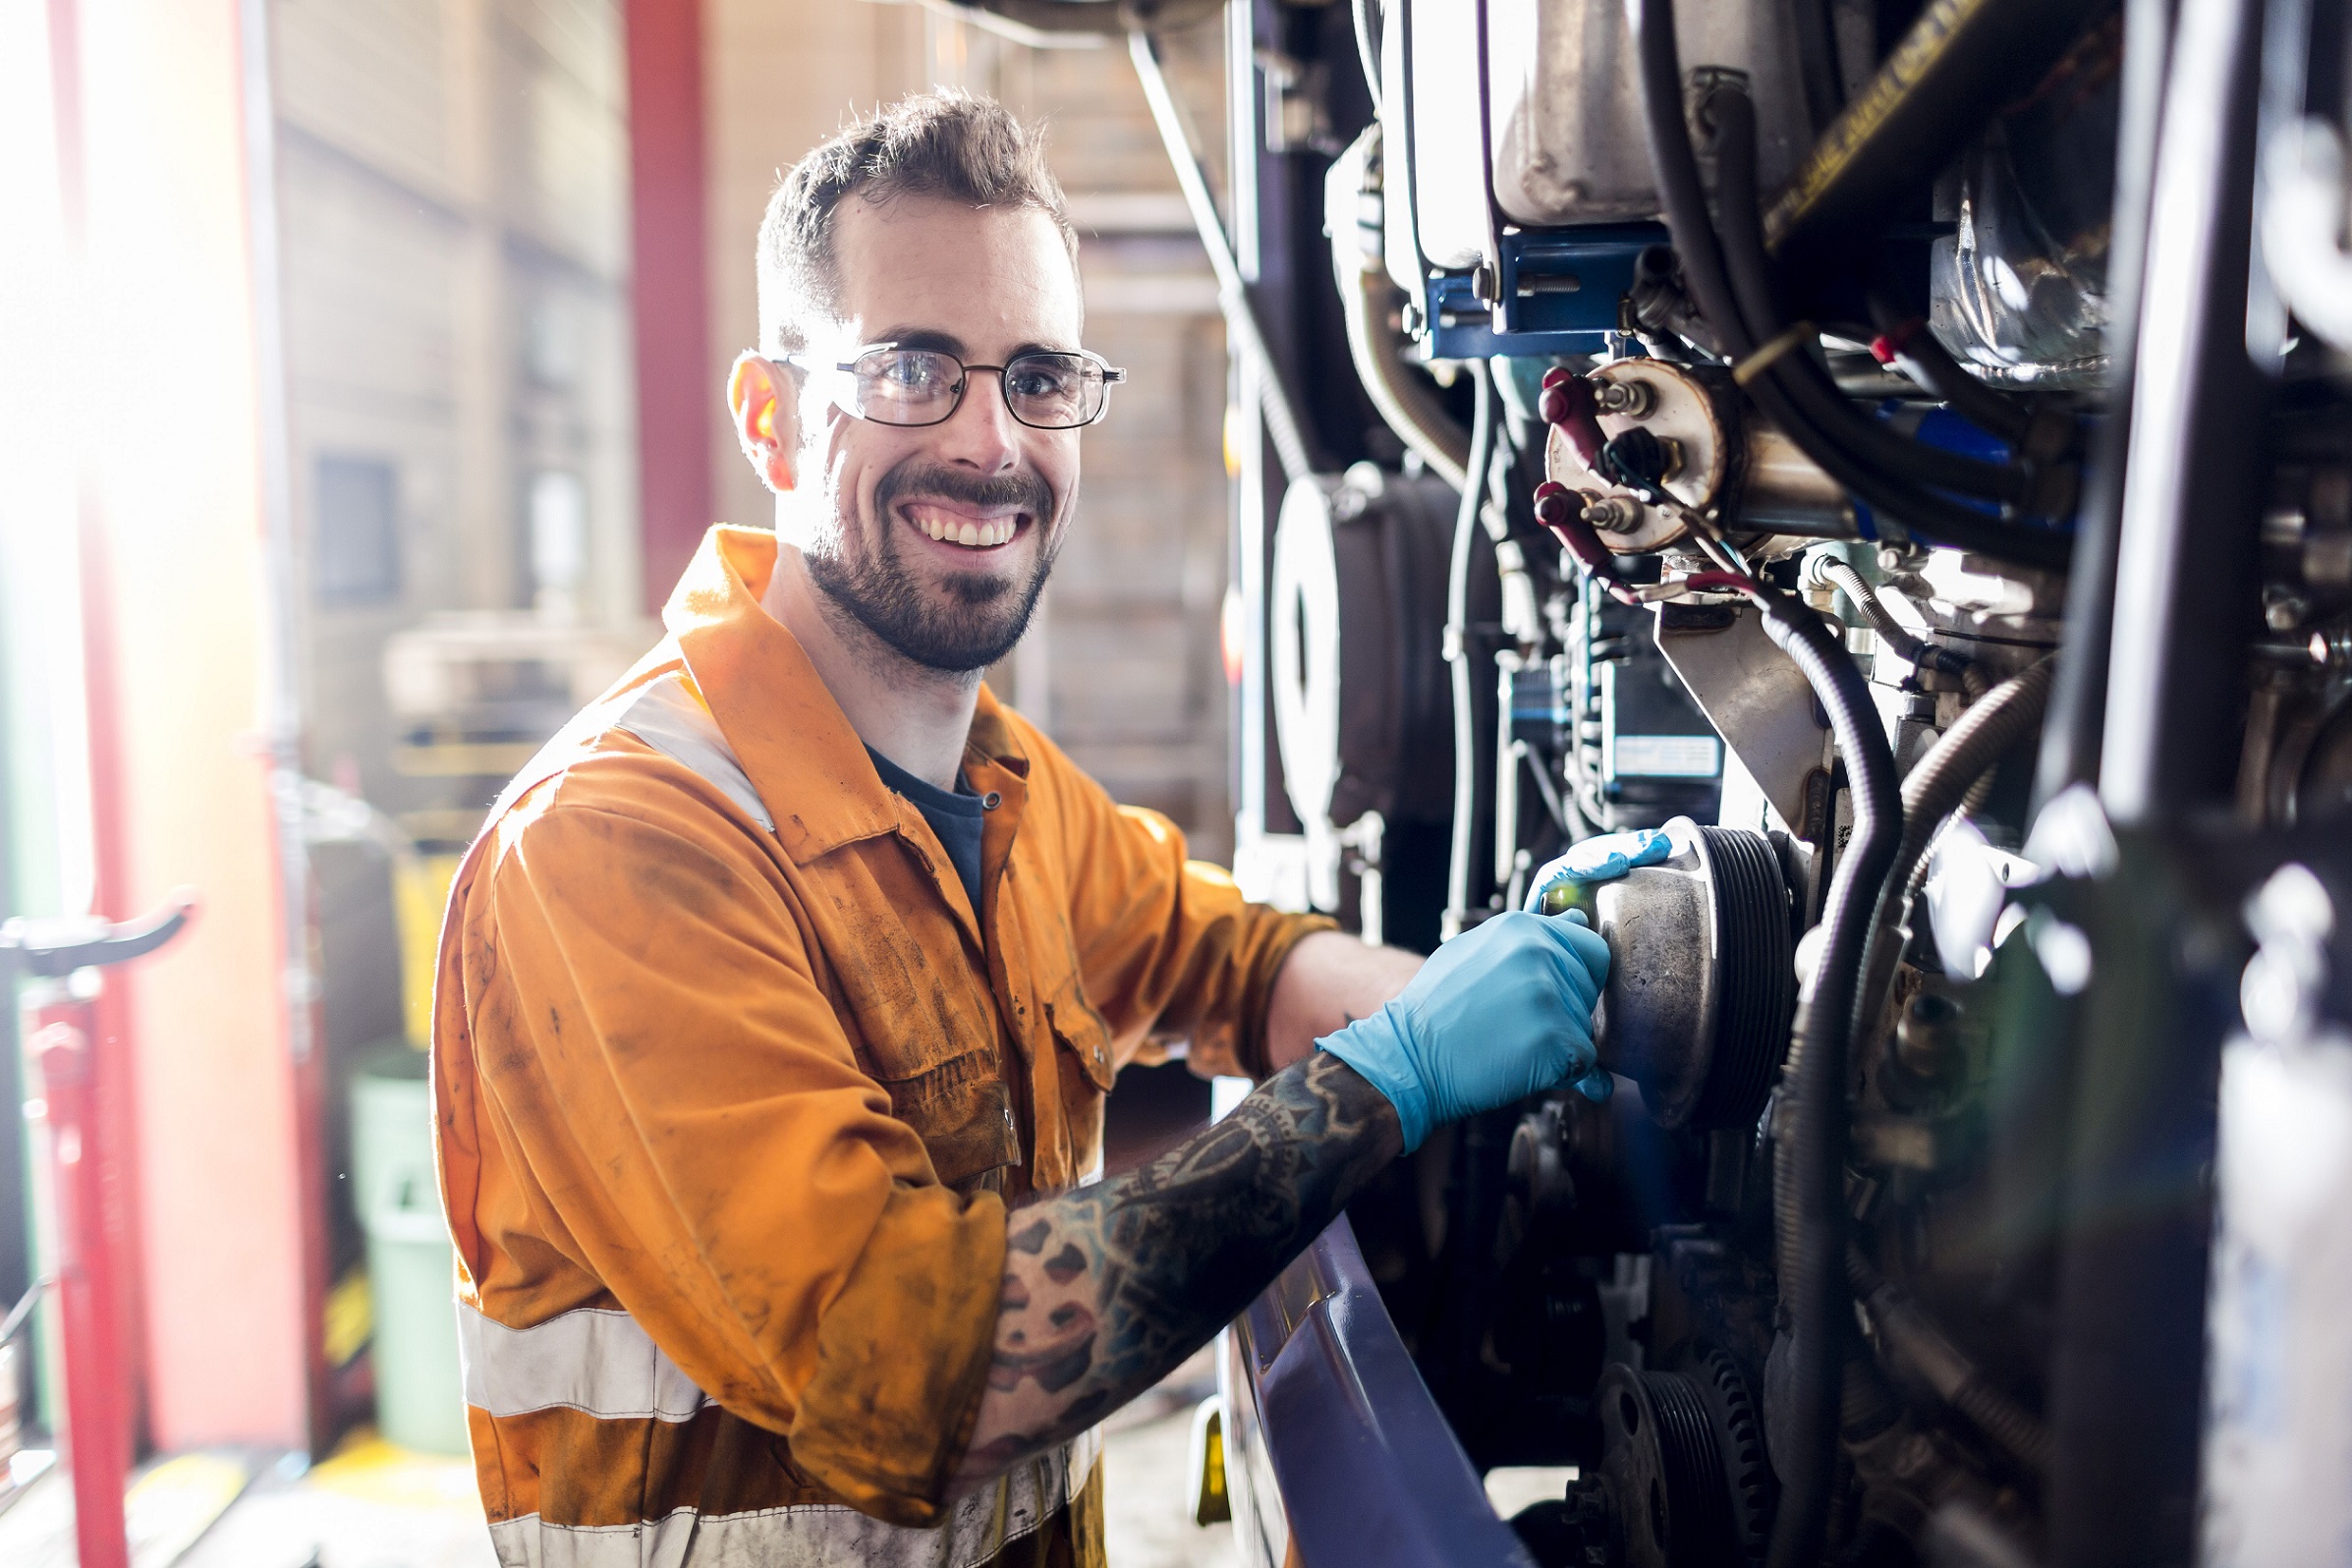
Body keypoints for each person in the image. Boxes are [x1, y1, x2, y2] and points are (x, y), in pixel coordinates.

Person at [430, 90, 1614, 1568]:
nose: (992, 445)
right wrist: (1391, 1080)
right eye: (914, 368)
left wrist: (1550, 998)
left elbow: (1232, 970)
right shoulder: (617, 847)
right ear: (772, 418)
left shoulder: (1005, 792)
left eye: (1041, 376)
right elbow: (926, 1367)